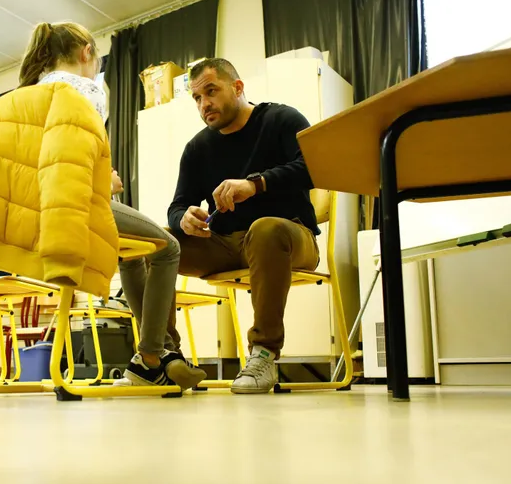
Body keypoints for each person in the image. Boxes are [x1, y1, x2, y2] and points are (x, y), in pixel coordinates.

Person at [19, 22, 205, 390]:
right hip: (72, 204)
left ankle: (157, 356)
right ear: (87, 53)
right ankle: (153, 355)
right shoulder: (83, 89)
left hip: (34, 209)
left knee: (130, 255)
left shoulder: (32, 92)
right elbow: (69, 163)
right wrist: (106, 184)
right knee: (167, 247)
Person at [166, 58, 320, 394]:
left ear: (237, 88)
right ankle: (164, 356)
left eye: (211, 91)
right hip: (225, 245)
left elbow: (314, 167)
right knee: (159, 243)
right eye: (197, 98)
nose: (204, 104)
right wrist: (183, 219)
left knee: (265, 229)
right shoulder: (197, 148)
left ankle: (264, 353)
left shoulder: (282, 119)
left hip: (290, 237)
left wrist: (256, 184)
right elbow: (177, 205)